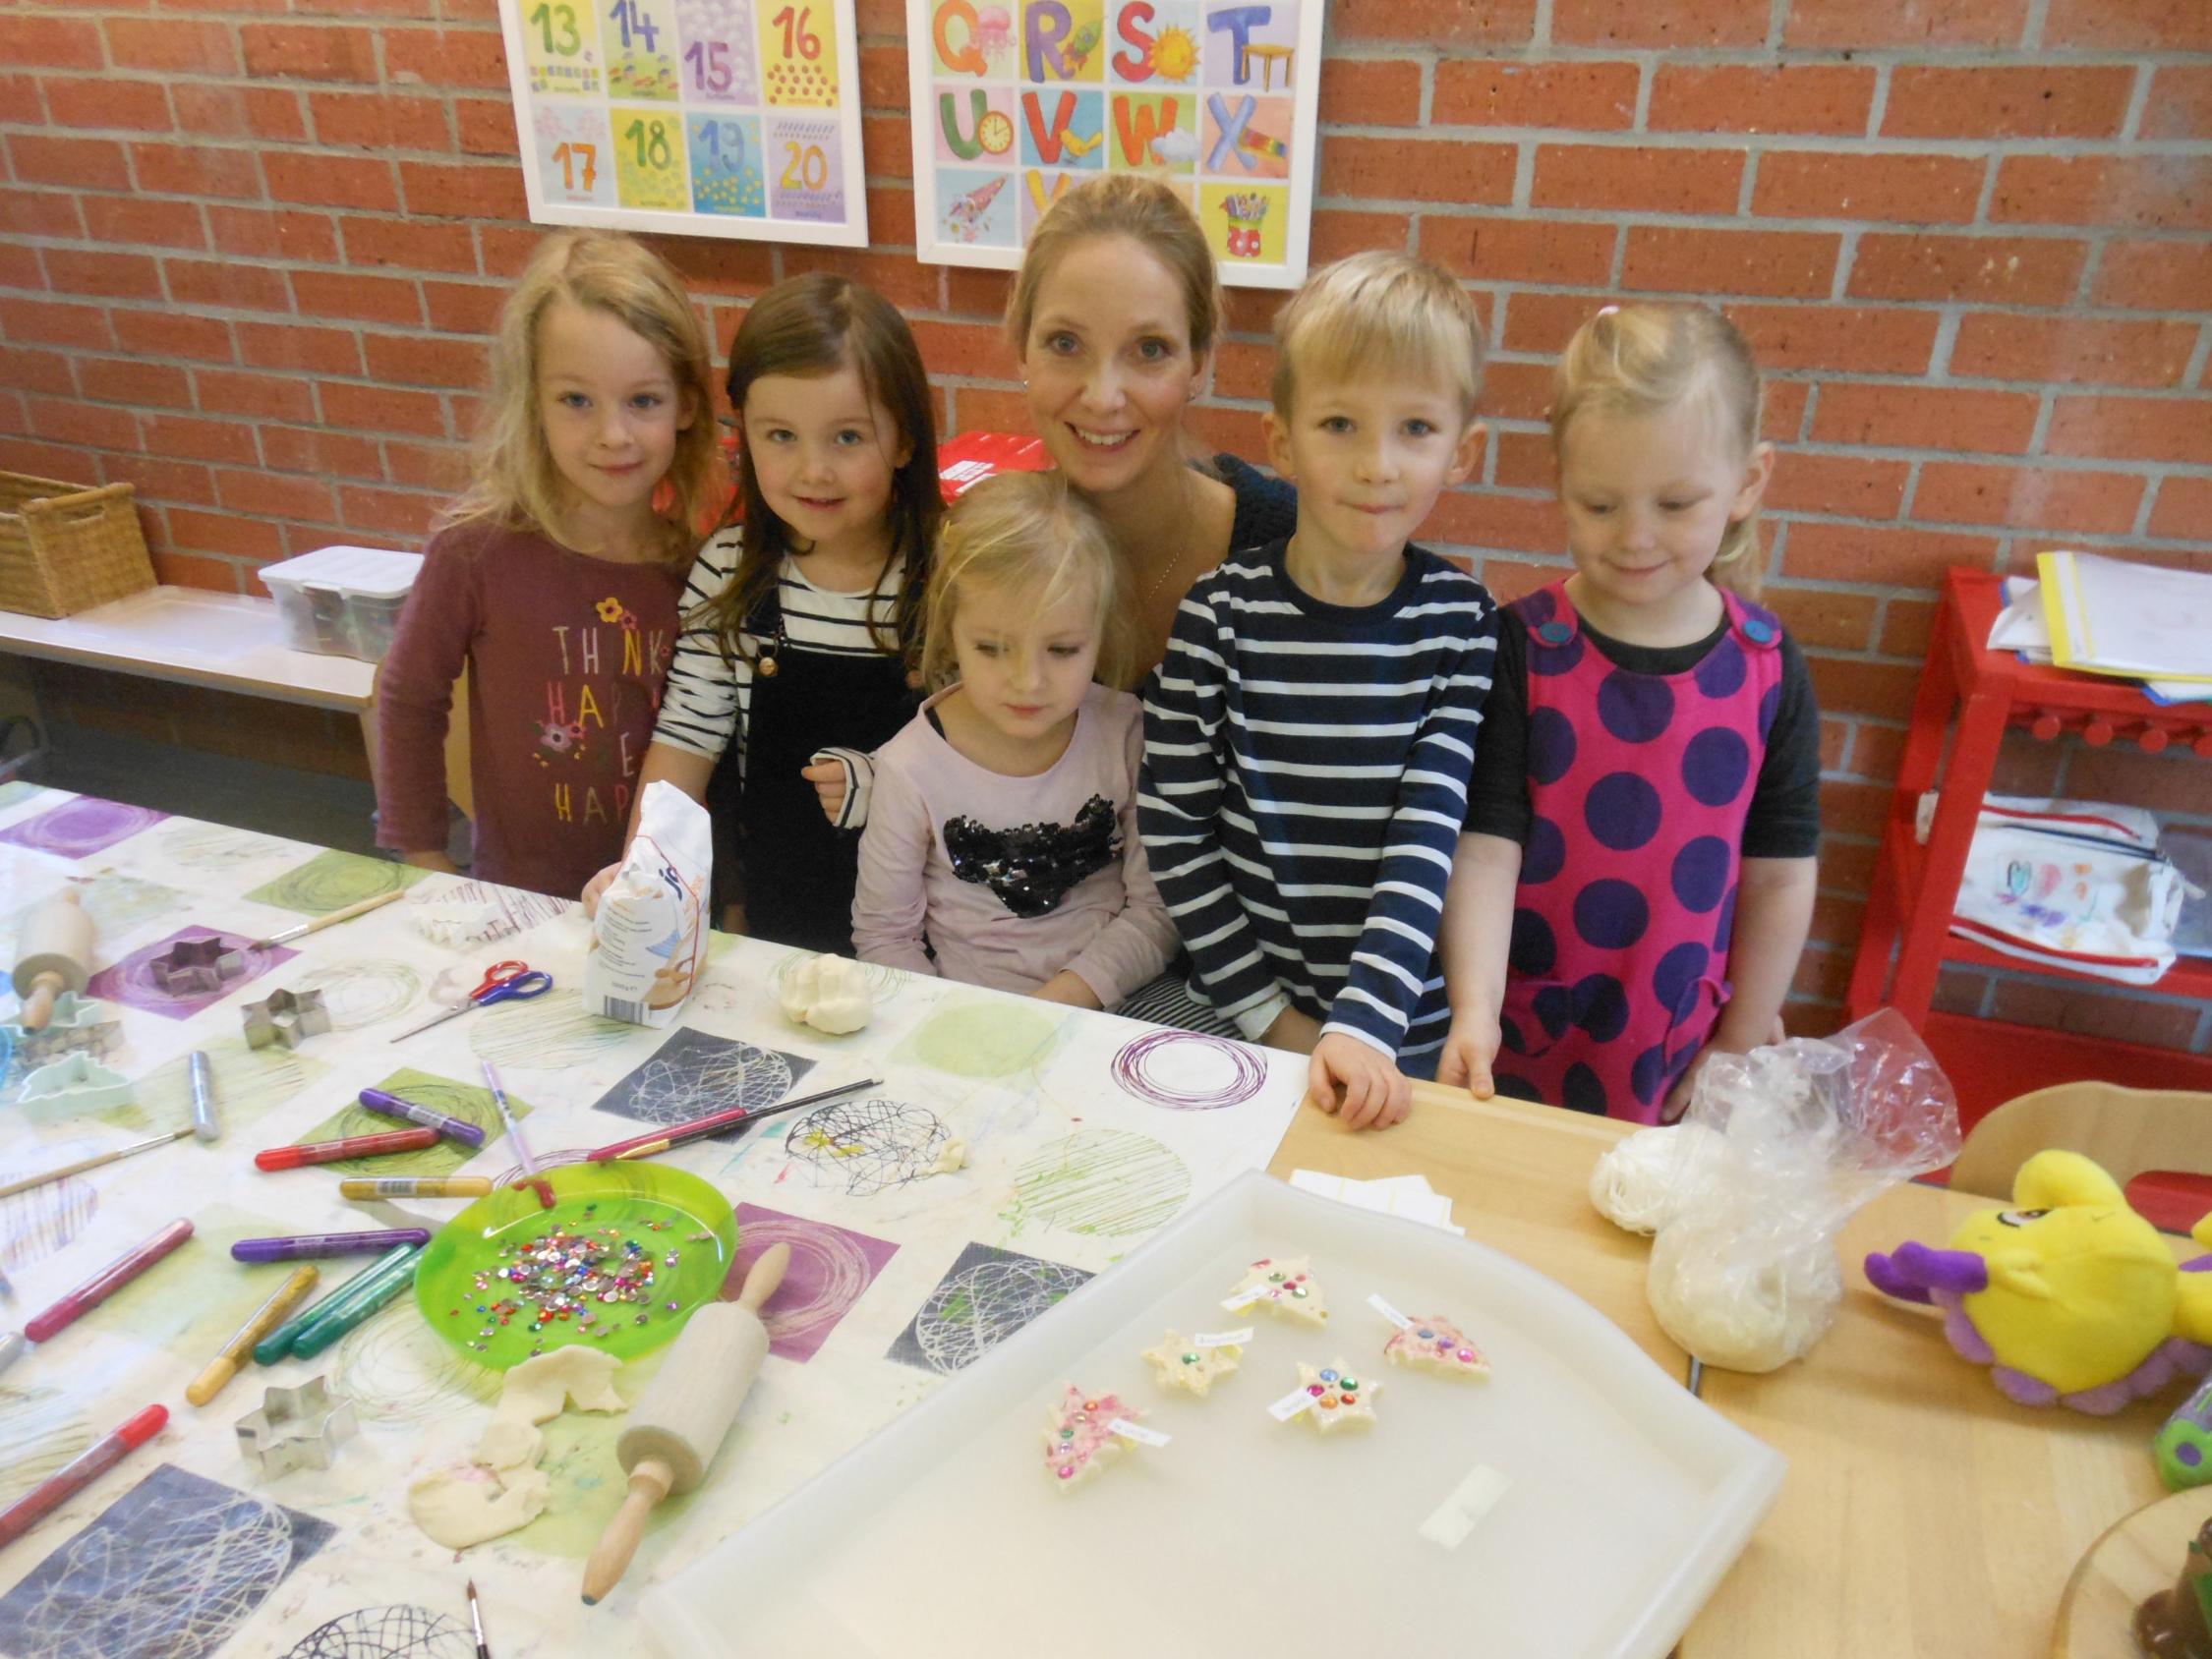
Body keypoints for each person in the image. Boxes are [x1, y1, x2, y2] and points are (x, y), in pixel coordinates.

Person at [802, 173, 1297, 821]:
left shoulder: (1289, 547)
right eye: (1066, 344)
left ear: (1200, 363)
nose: (1102, 395)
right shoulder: (980, 550)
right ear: (1022, 350)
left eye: (1150, 350)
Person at [1139, 252, 1499, 1131]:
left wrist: (1363, 1026)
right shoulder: (1218, 613)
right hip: (1243, 1017)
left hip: (1398, 1032)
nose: (1377, 464)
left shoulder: (1463, 623)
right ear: (1282, 440)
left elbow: (1429, 839)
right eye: (1340, 423)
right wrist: (1277, 1019)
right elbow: (1175, 830)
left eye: (1416, 428)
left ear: (1464, 451)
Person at [1437, 302, 1821, 1124]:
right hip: (1515, 1034)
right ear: (1562, 487)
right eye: (1601, 505)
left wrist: (1744, 1035)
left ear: (1749, 482)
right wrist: (1472, 1007)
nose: (1636, 537)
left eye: (1676, 504)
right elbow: (1485, 849)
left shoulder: (1768, 667)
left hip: (1680, 1053)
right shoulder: (1521, 646)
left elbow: (1781, 874)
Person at [588, 274, 940, 953]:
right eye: (780, 435)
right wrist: (643, 873)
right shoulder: (731, 570)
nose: (813, 470)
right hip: (783, 922)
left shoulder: (951, 574)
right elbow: (686, 744)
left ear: (903, 441)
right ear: (743, 432)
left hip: (935, 936)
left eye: (847, 438)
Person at [376, 230, 720, 899]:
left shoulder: (703, 566)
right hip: (521, 901)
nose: (612, 435)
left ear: (687, 405)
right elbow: (409, 697)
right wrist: (421, 854)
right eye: (576, 400)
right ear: (532, 403)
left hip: (671, 907)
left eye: (643, 401)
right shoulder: (476, 551)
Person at [852, 471, 1177, 1010]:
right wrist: (947, 1023)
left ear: (1099, 633)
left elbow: (1158, 912)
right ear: (950, 629)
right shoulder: (909, 767)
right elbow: (885, 938)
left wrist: (1060, 1004)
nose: (1027, 681)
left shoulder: (1126, 733)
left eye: (1062, 650)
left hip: (1119, 998)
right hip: (963, 1012)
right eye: (992, 648)